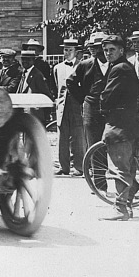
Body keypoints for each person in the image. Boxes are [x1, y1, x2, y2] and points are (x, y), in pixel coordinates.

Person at [98, 35, 139, 221]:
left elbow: (107, 96)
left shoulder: (119, 68)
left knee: (118, 166)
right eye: (106, 50)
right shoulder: (125, 66)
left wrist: (102, 105)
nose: (108, 54)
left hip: (119, 123)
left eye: (112, 50)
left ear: (121, 51)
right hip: (129, 122)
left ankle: (120, 208)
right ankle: (128, 201)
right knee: (126, 164)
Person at [66, 32, 108, 150]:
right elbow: (70, 82)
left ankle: (109, 168)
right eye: (95, 47)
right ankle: (96, 168)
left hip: (110, 108)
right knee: (93, 142)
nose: (99, 50)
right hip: (91, 108)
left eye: (101, 47)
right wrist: (83, 98)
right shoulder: (85, 65)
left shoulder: (115, 64)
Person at [53, 38, 85, 176]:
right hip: (62, 107)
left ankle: (79, 167)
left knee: (78, 138)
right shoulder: (57, 68)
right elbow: (57, 87)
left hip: (77, 106)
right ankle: (64, 167)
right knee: (62, 138)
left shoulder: (82, 66)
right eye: (65, 50)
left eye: (70, 50)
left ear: (76, 52)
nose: (67, 53)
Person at [17, 50, 52, 122]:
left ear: (33, 60)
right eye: (23, 59)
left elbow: (46, 94)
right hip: (23, 113)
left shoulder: (37, 75)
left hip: (34, 115)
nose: (25, 62)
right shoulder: (23, 73)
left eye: (28, 59)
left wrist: (46, 114)